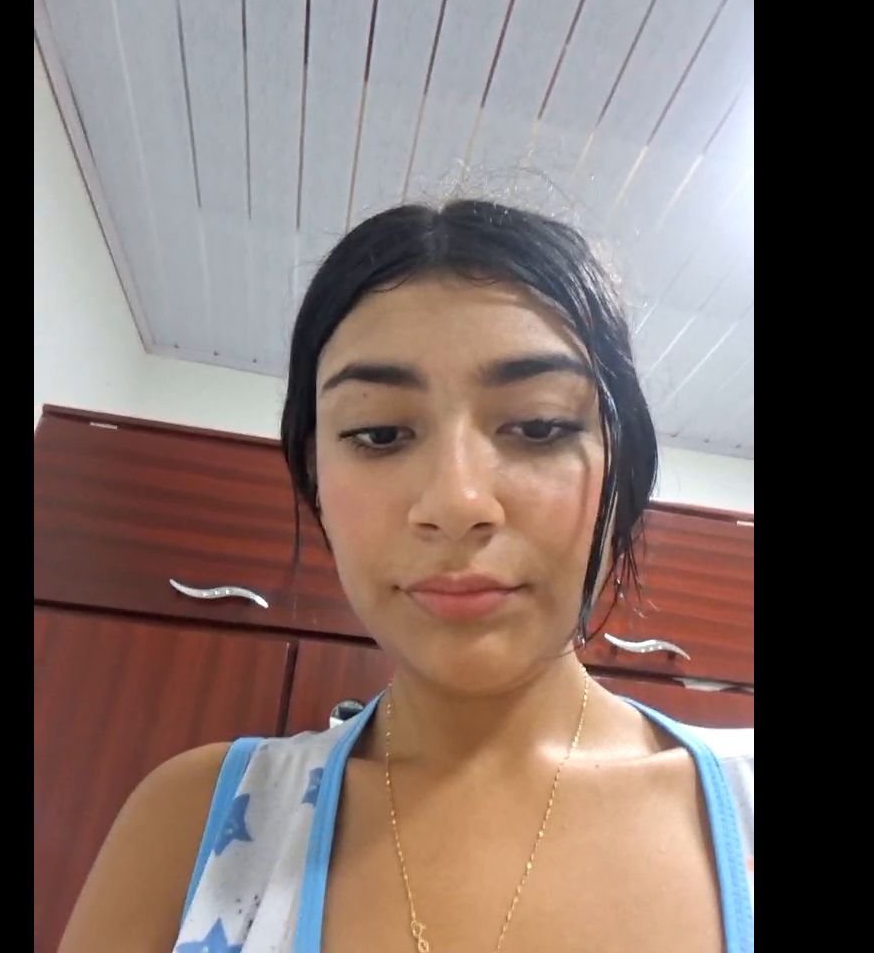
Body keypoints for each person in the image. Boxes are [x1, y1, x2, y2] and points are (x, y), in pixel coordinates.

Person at [59, 200, 753, 953]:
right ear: (316, 477)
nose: (457, 504)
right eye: (380, 433)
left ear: (623, 465)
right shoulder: (192, 826)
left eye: (539, 426)